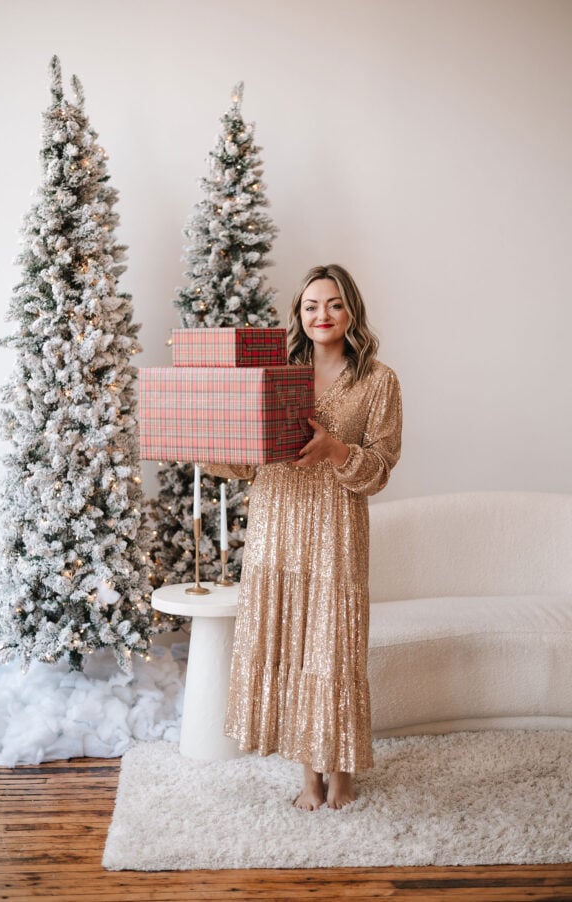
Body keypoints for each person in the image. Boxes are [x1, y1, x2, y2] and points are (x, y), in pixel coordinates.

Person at [206, 264, 402, 810]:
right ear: (298, 313)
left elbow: (381, 468)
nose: (322, 315)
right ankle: (308, 776)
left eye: (334, 304)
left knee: (332, 647)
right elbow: (247, 461)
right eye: (311, 306)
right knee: (290, 641)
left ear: (351, 311)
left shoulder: (378, 380)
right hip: (277, 521)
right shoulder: (274, 371)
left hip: (336, 524)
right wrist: (206, 436)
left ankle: (342, 772)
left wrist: (335, 449)